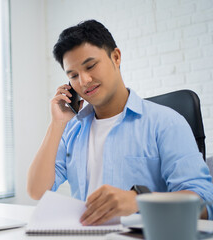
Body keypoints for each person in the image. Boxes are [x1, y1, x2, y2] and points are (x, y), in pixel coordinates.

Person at [27, 19, 213, 225]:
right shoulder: (73, 129)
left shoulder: (166, 123)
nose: (84, 81)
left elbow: (204, 202)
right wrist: (57, 124)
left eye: (91, 66)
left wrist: (140, 201)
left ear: (116, 57)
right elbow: (37, 191)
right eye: (73, 75)